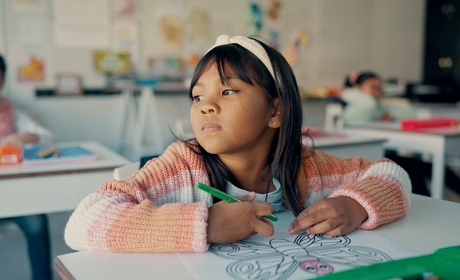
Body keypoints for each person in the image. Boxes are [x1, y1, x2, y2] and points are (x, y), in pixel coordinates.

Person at [64, 35, 411, 253]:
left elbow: (392, 174)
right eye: (197, 95)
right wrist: (205, 224)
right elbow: (83, 224)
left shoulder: (310, 168)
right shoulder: (182, 167)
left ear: (275, 110)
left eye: (228, 91)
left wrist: (355, 206)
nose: (206, 106)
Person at [341, 70, 460, 197]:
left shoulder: (379, 107)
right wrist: (345, 91)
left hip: (388, 156)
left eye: (380, 88)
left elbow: (410, 112)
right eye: (373, 87)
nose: (378, 92)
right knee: (414, 179)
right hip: (368, 162)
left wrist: (388, 114)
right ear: (355, 89)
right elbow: (368, 104)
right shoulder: (353, 110)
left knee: (437, 170)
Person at [0, 54, 53, 280]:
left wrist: (27, 136)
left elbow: (47, 136)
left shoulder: (10, 110)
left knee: (37, 221)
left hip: (13, 193)